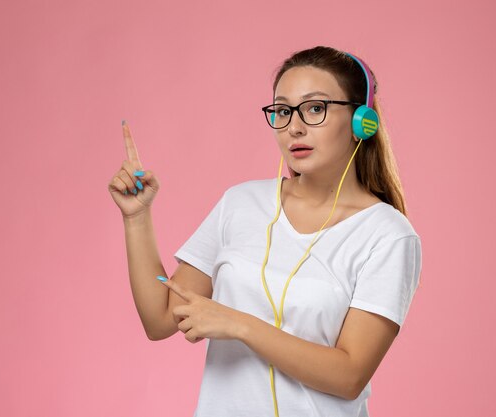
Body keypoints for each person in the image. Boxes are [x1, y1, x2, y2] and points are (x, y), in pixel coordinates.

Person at [108, 45, 422, 417]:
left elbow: (349, 374)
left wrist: (239, 324)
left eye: (315, 108)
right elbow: (160, 319)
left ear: (361, 122)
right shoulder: (239, 204)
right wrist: (137, 218)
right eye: (283, 111)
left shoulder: (387, 234)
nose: (295, 126)